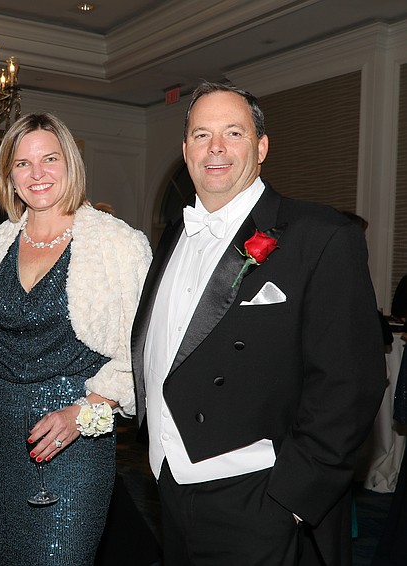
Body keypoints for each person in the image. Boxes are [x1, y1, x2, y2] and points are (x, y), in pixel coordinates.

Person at [131, 81, 386, 565]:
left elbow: (350, 382)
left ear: (262, 146)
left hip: (259, 499)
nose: (216, 148)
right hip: (170, 489)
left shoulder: (320, 236)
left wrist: (290, 500)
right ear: (185, 150)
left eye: (234, 132)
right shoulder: (171, 240)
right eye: (202, 135)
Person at [0, 112, 152, 565]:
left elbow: (142, 353)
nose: (37, 174)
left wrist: (85, 413)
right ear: (8, 175)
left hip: (76, 440)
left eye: (49, 159)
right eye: (22, 164)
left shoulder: (117, 244)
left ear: (71, 164)